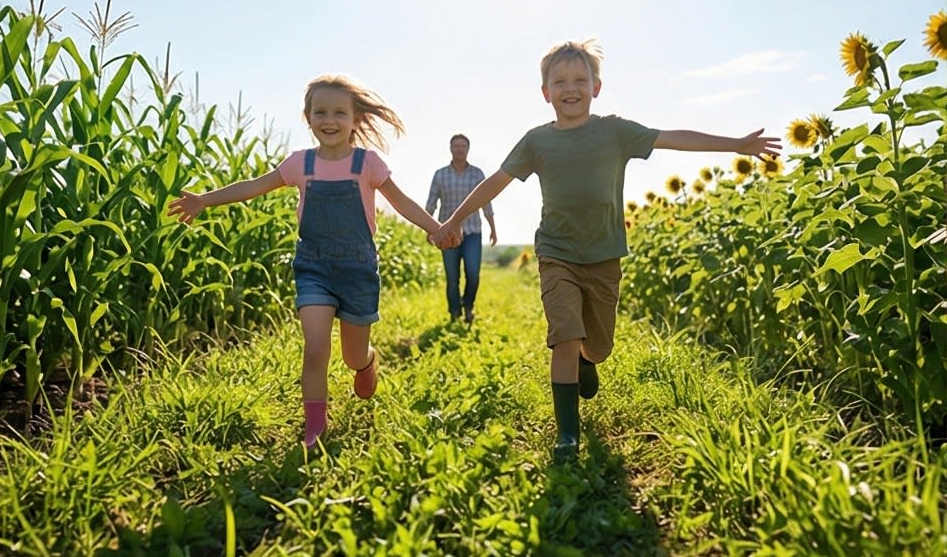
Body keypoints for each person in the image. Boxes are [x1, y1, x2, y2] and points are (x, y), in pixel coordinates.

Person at [431, 38, 782, 462]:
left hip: (603, 256)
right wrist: (452, 220)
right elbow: (495, 183)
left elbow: (672, 138)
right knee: (564, 335)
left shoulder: (615, 131)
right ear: (545, 93)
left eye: (580, 79)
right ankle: (567, 435)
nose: (570, 87)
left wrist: (736, 145)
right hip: (556, 253)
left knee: (597, 345)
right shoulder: (536, 142)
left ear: (597, 86)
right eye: (559, 81)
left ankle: (587, 361)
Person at [168, 74, 457, 449]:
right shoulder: (299, 165)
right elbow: (253, 186)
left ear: (355, 119)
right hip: (314, 267)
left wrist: (435, 228)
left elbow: (401, 202)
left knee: (352, 356)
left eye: (339, 112)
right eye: (320, 112)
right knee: (316, 346)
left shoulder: (366, 164)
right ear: (307, 117)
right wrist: (205, 199)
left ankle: (367, 362)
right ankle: (314, 428)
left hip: (357, 270)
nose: (329, 119)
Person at [425, 134, 498, 324]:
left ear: (468, 149)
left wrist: (493, 228)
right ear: (450, 148)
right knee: (452, 277)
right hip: (447, 233)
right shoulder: (440, 175)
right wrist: (429, 229)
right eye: (456, 146)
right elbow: (431, 203)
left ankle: (468, 305)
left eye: (463, 146)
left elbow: (486, 203)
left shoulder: (477, 174)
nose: (459, 149)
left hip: (472, 231)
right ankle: (454, 313)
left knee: (473, 273)